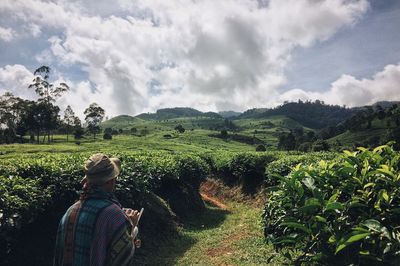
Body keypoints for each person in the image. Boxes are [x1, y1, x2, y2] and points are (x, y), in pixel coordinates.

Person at [54, 153, 141, 266]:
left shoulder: (71, 211)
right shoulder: (114, 214)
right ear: (110, 181)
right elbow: (122, 258)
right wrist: (132, 226)